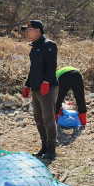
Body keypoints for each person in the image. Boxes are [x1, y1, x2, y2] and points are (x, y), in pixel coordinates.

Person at [21, 20, 59, 161]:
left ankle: (51, 149)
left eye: (29, 29)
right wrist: (27, 85)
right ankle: (44, 146)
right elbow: (33, 69)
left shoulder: (48, 45)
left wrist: (46, 81)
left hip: (47, 87)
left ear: (38, 30)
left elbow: (51, 65)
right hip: (36, 87)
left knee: (48, 119)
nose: (26, 32)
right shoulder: (34, 47)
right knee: (38, 118)